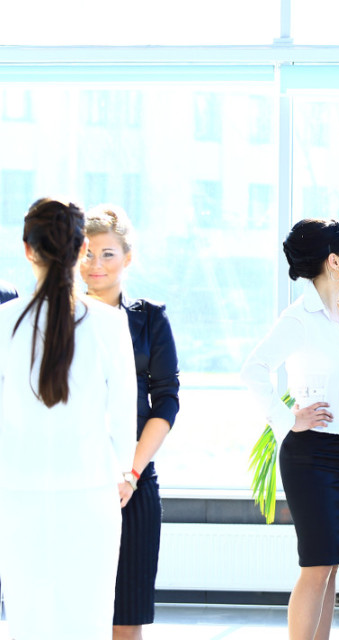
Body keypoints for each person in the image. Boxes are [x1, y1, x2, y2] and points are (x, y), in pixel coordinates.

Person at [0, 198, 137, 640]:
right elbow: (124, 417)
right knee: (88, 623)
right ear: (81, 250)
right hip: (91, 491)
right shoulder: (109, 322)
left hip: (16, 493)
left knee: (28, 623)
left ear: (27, 249)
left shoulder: (4, 322)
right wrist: (121, 471)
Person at [241, 219, 339, 640]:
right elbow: (253, 370)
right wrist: (288, 419)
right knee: (316, 565)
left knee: (331, 565)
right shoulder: (299, 318)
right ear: (334, 261)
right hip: (310, 454)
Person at [79, 204, 180, 640]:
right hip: (74, 477)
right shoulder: (60, 317)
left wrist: (130, 473)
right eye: (86, 253)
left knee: (126, 616)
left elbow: (167, 401)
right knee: (77, 613)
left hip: (133, 481)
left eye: (107, 254)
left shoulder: (149, 317)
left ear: (128, 257)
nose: (95, 264)